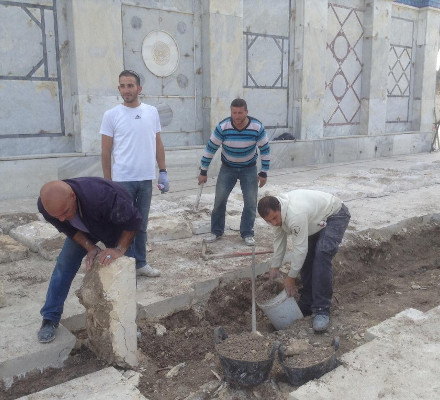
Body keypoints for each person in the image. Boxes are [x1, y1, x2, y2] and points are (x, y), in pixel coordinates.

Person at [37, 177, 143, 343]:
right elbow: (67, 228)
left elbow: (134, 221)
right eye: (58, 216)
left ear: (72, 196)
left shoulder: (103, 196)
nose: (63, 218)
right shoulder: (48, 207)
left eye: (65, 212)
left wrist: (119, 249)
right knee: (64, 265)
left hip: (115, 226)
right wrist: (90, 247)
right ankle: (50, 317)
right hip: (84, 228)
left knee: (126, 271)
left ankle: (128, 323)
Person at [101, 69, 169, 277]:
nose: (126, 89)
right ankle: (126, 265)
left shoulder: (151, 112)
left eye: (130, 85)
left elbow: (157, 142)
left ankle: (140, 263)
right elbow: (105, 151)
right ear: (119, 88)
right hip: (123, 181)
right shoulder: (111, 115)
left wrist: (163, 171)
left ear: (139, 88)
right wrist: (108, 182)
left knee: (141, 224)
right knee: (124, 225)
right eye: (122, 85)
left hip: (145, 179)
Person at [257, 189, 351, 332]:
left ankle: (321, 309)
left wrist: (291, 277)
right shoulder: (276, 217)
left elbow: (299, 249)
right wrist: (275, 266)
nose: (274, 223)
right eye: (268, 221)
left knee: (322, 254)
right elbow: (279, 241)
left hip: (334, 215)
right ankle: (307, 302)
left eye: (275, 218)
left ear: (279, 208)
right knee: (306, 259)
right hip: (314, 221)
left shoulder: (295, 214)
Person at [198, 98, 270, 246]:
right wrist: (203, 171)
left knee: (250, 202)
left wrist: (264, 172)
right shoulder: (223, 127)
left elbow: (265, 149)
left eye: (240, 113)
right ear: (231, 112)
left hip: (249, 168)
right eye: (234, 113)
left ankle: (247, 232)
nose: (237, 116)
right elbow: (210, 148)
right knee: (219, 200)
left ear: (246, 112)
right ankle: (216, 231)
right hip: (228, 168)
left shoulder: (257, 127)